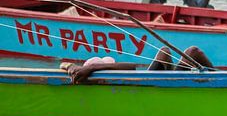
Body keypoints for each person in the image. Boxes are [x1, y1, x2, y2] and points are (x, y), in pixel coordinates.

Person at [61, 46, 214, 84]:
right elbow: (131, 66)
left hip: (154, 82)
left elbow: (131, 66)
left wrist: (70, 66)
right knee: (193, 52)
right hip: (152, 92)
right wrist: (88, 69)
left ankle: (172, 79)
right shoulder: (94, 76)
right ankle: (216, 77)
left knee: (165, 51)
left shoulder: (90, 70)